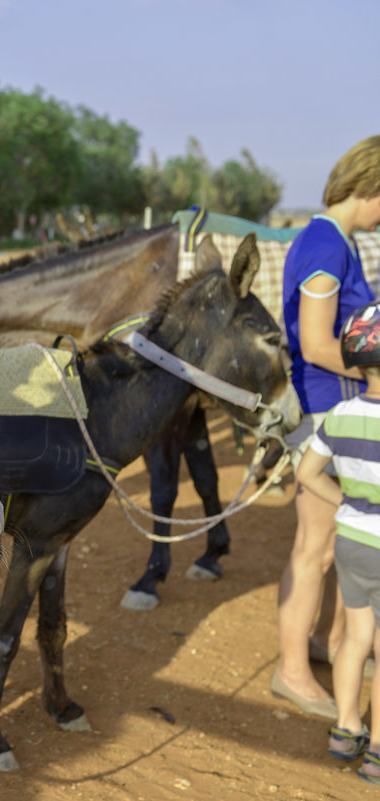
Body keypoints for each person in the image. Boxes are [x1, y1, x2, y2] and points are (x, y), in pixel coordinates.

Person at [274, 134, 380, 718]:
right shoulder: (326, 245)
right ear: (370, 188)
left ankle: (326, 645)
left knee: (335, 541)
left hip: (333, 402)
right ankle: (291, 671)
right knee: (315, 549)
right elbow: (316, 344)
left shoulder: (330, 240)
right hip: (325, 404)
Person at [295, 300, 380, 780]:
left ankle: (346, 729)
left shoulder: (341, 413)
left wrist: (347, 501)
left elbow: (308, 472)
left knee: (354, 639)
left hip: (352, 540)